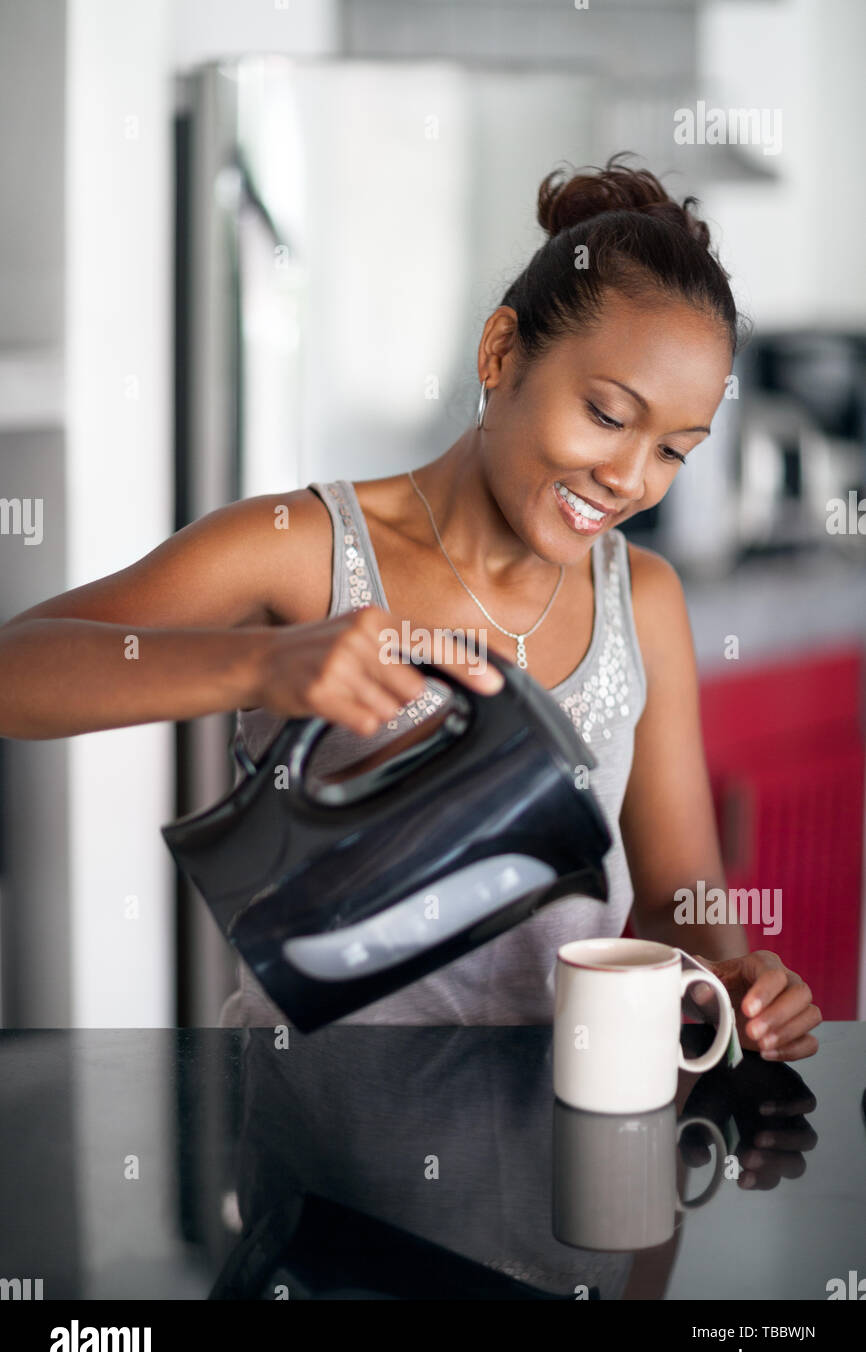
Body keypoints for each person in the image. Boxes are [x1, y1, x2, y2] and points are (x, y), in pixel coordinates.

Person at [0, 153, 821, 1059]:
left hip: (560, 1149)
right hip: (317, 1149)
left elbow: (677, 900)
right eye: (607, 415)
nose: (629, 479)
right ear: (501, 352)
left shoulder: (645, 599)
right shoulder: (307, 548)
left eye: (674, 450)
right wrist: (263, 663)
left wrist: (733, 981)